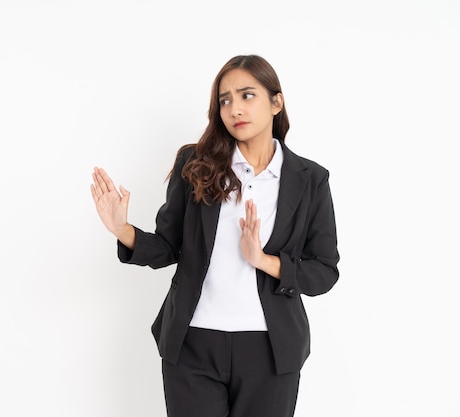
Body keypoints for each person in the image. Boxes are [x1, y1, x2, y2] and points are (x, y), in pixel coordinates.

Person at [90, 54, 339, 417]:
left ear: (276, 102)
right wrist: (122, 230)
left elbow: (324, 271)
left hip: (270, 349)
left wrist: (264, 261)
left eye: (247, 95)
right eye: (225, 100)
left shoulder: (310, 179)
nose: (235, 108)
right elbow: (166, 248)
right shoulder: (196, 165)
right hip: (193, 342)